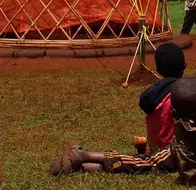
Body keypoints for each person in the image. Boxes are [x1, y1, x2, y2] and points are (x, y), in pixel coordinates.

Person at [49, 42, 188, 177]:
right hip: (169, 151)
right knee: (143, 163)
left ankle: (84, 166)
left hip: (157, 145)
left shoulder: (154, 93)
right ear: (184, 66)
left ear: (157, 69)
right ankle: (84, 155)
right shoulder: (184, 94)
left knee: (143, 163)